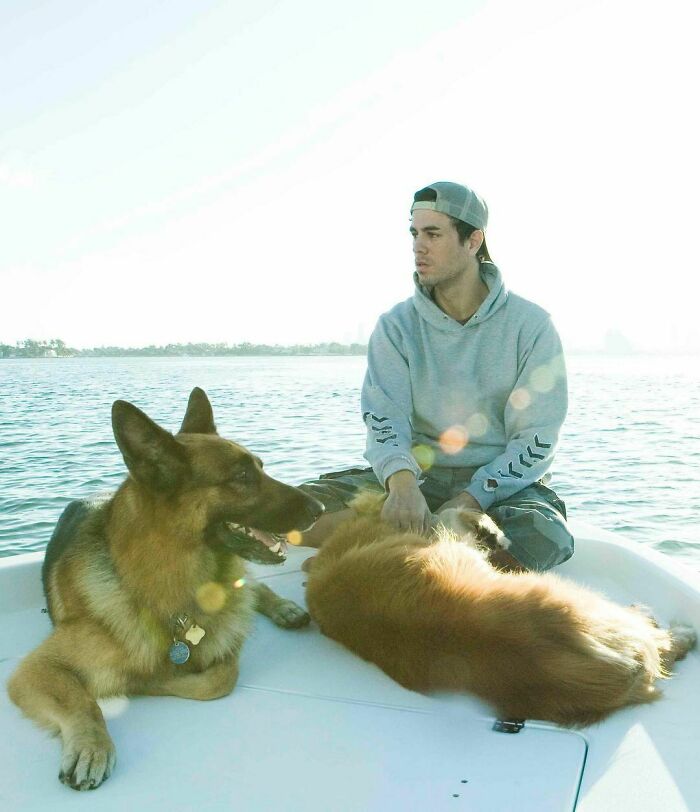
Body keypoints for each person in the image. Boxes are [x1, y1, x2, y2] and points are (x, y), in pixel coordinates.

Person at [300, 181, 573, 572]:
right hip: (416, 478)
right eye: (414, 233)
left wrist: (471, 499)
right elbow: (384, 419)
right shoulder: (396, 326)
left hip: (499, 489)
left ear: (473, 240)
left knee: (545, 536)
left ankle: (392, 552)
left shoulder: (530, 326)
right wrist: (402, 484)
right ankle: (426, 547)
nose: (418, 246)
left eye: (433, 234)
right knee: (293, 512)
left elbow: (536, 438)